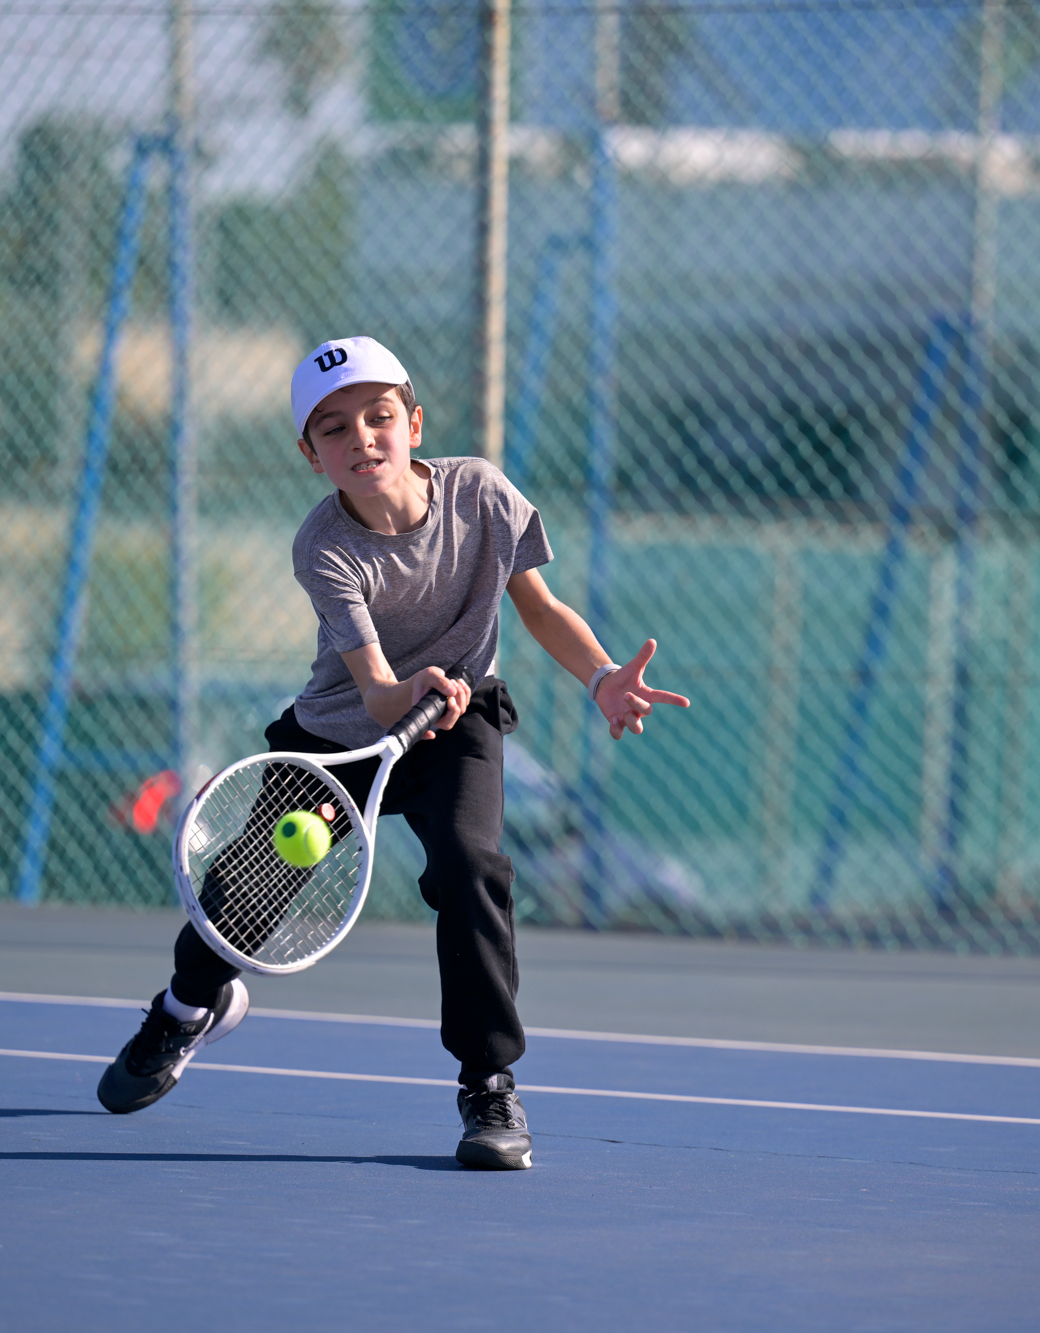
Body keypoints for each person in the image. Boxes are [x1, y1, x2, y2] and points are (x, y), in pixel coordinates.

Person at [96, 335, 689, 1170]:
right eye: (334, 428)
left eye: (379, 417)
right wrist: (407, 690)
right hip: (342, 735)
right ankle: (186, 1009)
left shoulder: (481, 494)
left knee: (471, 868)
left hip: (457, 721)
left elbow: (539, 607)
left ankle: (489, 1084)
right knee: (242, 900)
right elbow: (376, 690)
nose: (362, 438)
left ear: (413, 424)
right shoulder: (324, 546)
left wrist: (600, 676)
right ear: (312, 456)